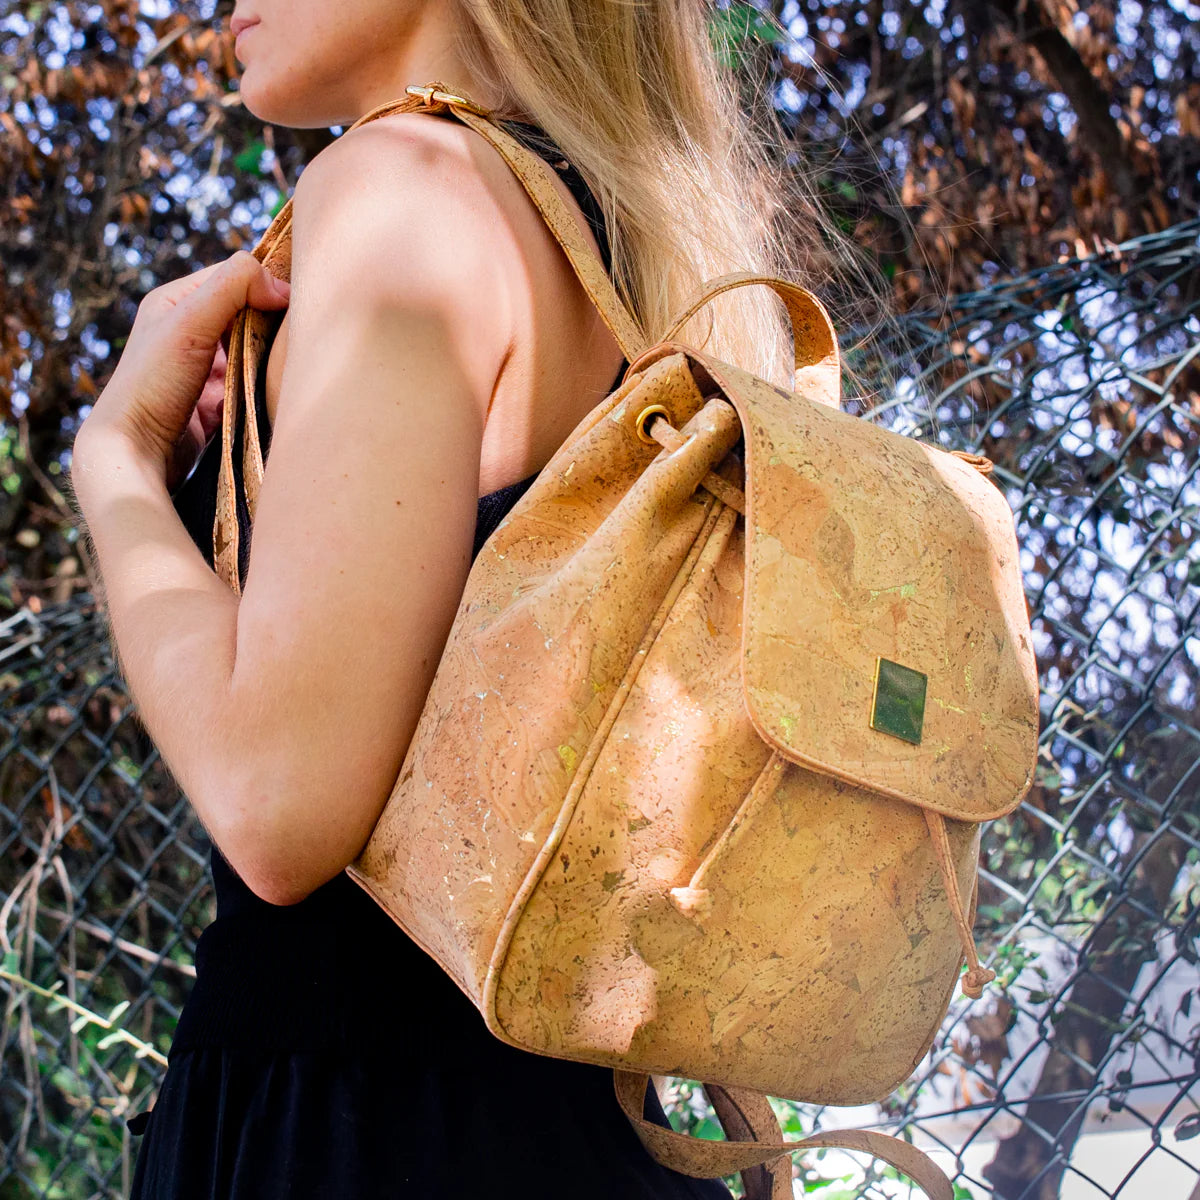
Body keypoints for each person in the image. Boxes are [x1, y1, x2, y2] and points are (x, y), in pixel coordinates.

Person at [67, 1, 884, 1195]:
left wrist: (118, 463)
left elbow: (279, 804)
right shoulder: (643, 257)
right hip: (592, 1129)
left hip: (361, 1133)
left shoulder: (403, 184)